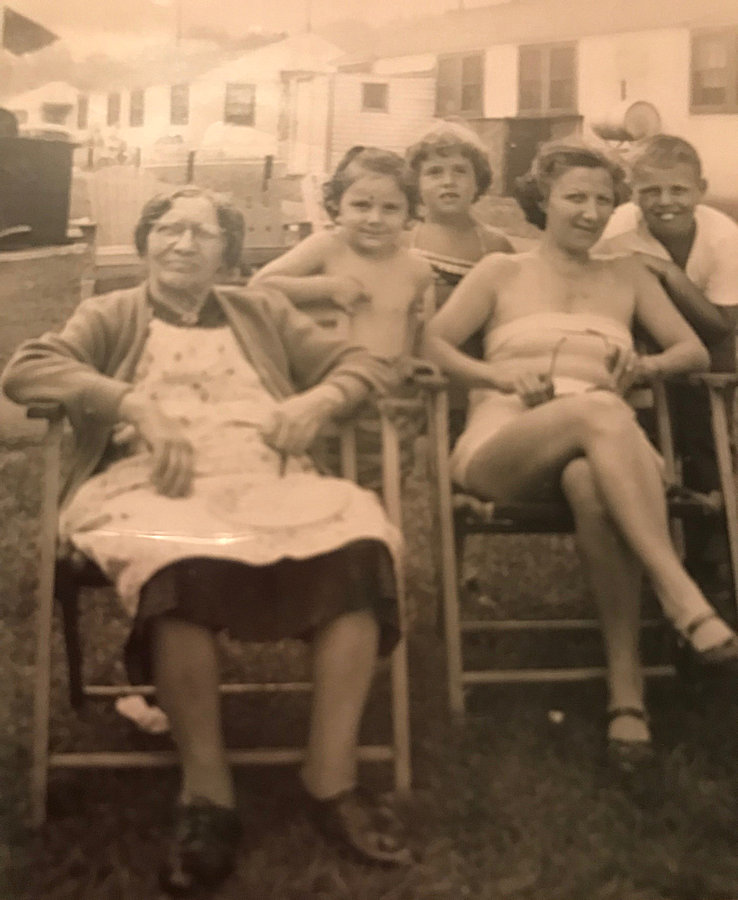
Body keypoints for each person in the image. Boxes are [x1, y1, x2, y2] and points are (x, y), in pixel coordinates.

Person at [2, 186, 412, 895]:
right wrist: (133, 404)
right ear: (146, 243)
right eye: (168, 229)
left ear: (228, 252)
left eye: (203, 232)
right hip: (149, 483)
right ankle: (207, 792)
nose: (183, 243)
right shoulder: (110, 314)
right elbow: (27, 369)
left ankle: (331, 775)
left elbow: (368, 366)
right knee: (180, 557)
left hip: (268, 475)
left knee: (360, 545)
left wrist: (319, 399)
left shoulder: (263, 311)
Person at [423, 139, 738, 774]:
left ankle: (628, 704)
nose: (591, 212)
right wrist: (496, 379)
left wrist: (645, 363)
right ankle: (679, 593)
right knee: (598, 409)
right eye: (576, 197)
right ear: (544, 200)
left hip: (609, 456)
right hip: (508, 440)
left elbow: (694, 353)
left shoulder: (627, 275)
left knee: (593, 478)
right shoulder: (500, 273)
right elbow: (430, 343)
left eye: (603, 199)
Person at [596, 135, 738, 601]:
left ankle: (709, 554)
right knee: (642, 443)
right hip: (639, 340)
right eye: (650, 191)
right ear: (632, 192)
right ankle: (643, 550)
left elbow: (721, 328)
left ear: (700, 188)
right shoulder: (617, 229)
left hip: (712, 347)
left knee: (704, 442)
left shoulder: (722, 236)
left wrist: (669, 274)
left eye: (678, 190)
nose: (665, 202)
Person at [250, 145, 434, 366]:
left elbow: (409, 326)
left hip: (385, 382)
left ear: (408, 213)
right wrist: (328, 287)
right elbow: (258, 286)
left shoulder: (416, 269)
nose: (375, 218)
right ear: (337, 206)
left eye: (391, 208)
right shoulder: (327, 247)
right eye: (361, 205)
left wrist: (407, 361)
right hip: (328, 377)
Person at [405, 120, 515, 312]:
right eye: (435, 172)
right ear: (416, 184)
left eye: (460, 171)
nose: (449, 181)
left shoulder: (495, 245)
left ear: (477, 181)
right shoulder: (404, 239)